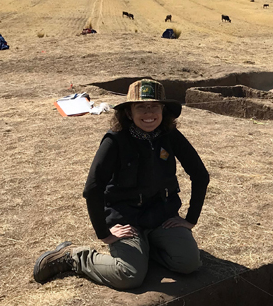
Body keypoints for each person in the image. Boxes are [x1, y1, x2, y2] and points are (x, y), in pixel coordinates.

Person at [33, 79, 210, 289]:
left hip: (162, 216)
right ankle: (74, 257)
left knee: (189, 263)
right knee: (129, 275)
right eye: (141, 107)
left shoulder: (170, 136)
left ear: (163, 110)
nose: (149, 113)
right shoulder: (115, 141)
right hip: (127, 219)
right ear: (128, 113)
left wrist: (190, 220)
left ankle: (145, 249)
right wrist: (104, 234)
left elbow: (200, 175)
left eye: (154, 106)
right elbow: (93, 189)